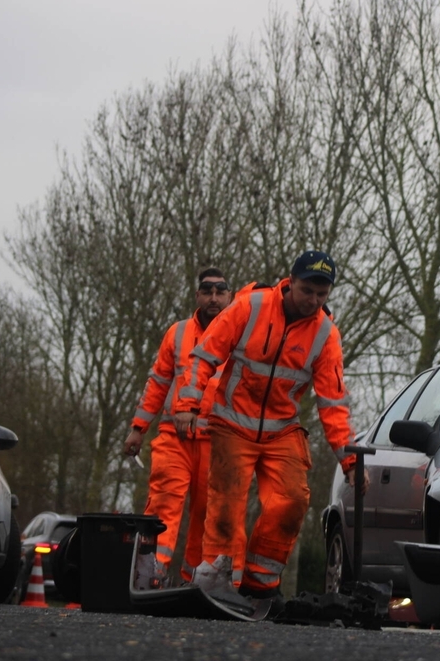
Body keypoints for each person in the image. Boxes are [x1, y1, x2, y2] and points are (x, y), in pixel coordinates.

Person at [172, 251, 367, 611]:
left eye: (322, 294)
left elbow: (333, 404)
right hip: (232, 422)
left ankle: (260, 585)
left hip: (282, 430)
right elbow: (205, 356)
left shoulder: (326, 334)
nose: (313, 301)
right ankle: (214, 579)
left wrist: (350, 461)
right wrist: (187, 405)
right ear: (290, 282)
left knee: (292, 500)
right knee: (226, 505)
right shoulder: (251, 306)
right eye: (307, 291)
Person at [123, 268, 235, 587]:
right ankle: (151, 574)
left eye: (220, 291)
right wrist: (138, 428)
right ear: (197, 295)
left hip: (217, 442)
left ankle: (195, 581)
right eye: (207, 291)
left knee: (208, 515)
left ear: (230, 296)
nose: (213, 297)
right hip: (175, 437)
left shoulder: (240, 336)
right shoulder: (178, 332)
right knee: (163, 504)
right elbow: (158, 382)